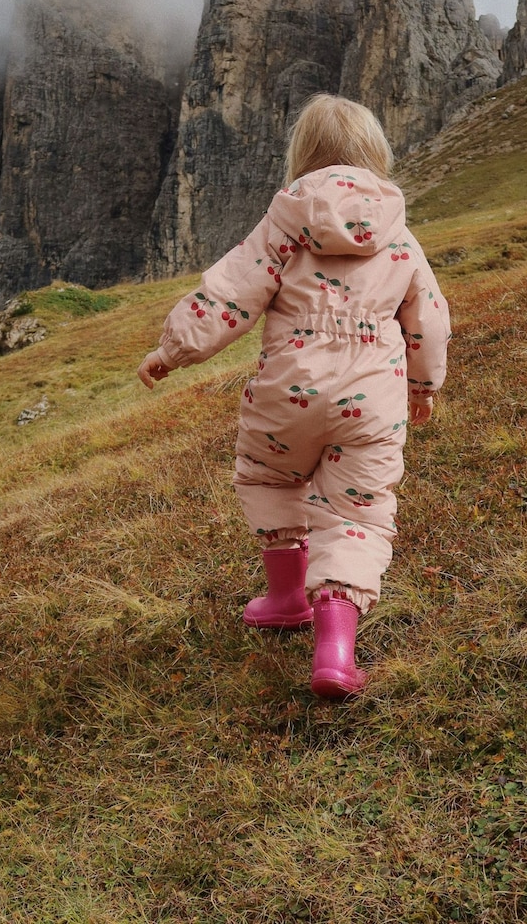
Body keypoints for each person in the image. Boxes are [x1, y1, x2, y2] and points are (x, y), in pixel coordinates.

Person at [137, 93, 451, 700]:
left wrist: (172, 349)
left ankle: (285, 596)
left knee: (267, 476)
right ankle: (335, 651)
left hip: (289, 390)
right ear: (375, 155)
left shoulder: (285, 223)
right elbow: (429, 319)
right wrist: (422, 387)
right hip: (371, 402)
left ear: (302, 155)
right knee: (357, 512)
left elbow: (229, 295)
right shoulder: (399, 236)